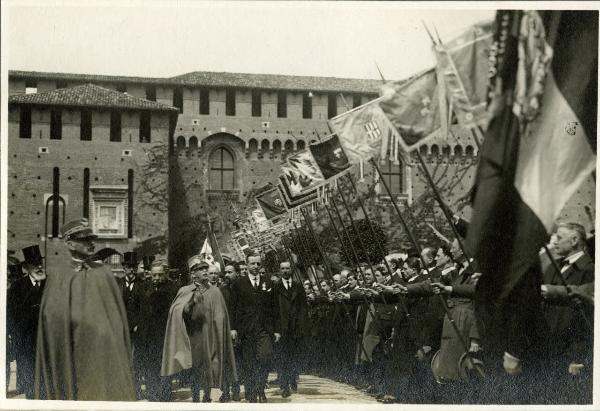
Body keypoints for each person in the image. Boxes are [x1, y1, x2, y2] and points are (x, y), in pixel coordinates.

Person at [35, 218, 136, 401]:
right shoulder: (59, 276)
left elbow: (116, 317)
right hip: (72, 352)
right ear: (69, 243)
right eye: (84, 239)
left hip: (103, 353)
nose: (91, 243)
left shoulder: (103, 273)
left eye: (92, 239)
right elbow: (51, 319)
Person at [161, 257, 237, 403]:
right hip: (194, 337)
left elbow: (221, 317)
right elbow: (176, 312)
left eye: (205, 268)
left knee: (211, 368)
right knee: (196, 370)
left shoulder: (215, 291)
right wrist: (189, 303)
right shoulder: (185, 290)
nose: (205, 271)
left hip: (211, 337)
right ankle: (196, 398)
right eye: (201, 269)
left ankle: (208, 398)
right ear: (193, 273)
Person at [540, 222, 594, 403]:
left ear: (574, 240)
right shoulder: (554, 266)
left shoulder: (589, 270)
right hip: (546, 343)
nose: (554, 242)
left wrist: (577, 356)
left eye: (559, 238)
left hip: (567, 351)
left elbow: (587, 319)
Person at [230, 253, 280, 403]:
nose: (256, 267)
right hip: (246, 329)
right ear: (247, 265)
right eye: (253, 264)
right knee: (249, 362)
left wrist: (277, 330)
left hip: (264, 329)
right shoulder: (239, 284)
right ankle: (252, 393)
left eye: (258, 264)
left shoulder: (269, 284)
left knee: (266, 357)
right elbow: (233, 308)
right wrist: (233, 328)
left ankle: (260, 388)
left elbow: (275, 308)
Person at [7, 245, 46, 399]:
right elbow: (11, 316)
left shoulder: (49, 284)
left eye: (40, 263)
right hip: (25, 345)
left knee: (45, 386)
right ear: (27, 267)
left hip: (45, 344)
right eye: (34, 264)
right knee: (29, 388)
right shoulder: (17, 287)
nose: (39, 267)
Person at [139, 259, 178, 402]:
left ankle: (165, 393)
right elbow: (137, 308)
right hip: (147, 333)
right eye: (154, 275)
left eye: (160, 275)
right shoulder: (143, 287)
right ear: (150, 274)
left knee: (165, 363)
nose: (157, 278)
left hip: (165, 332)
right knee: (150, 363)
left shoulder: (173, 288)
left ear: (165, 274)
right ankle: (151, 392)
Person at [273, 261, 309, 397]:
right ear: (279, 270)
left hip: (295, 327)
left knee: (294, 355)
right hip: (281, 328)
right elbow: (273, 308)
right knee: (282, 356)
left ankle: (293, 379)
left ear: (291, 270)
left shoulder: (298, 287)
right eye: (282, 268)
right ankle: (284, 384)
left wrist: (303, 326)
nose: (285, 271)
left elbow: (304, 308)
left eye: (287, 268)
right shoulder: (275, 287)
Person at [117, 250, 148, 399]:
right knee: (122, 359)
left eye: (133, 267)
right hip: (121, 329)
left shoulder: (142, 285)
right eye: (128, 267)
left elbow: (144, 309)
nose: (131, 269)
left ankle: (136, 389)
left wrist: (137, 324)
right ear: (124, 268)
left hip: (137, 329)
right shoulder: (119, 284)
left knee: (137, 360)